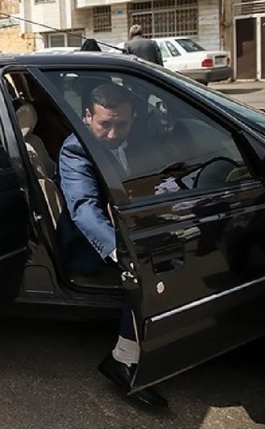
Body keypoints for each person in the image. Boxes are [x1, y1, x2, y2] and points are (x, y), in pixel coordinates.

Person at [55, 83, 167, 407]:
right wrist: (122, 252)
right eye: (105, 124)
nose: (114, 134)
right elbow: (84, 209)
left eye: (122, 124)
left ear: (133, 119)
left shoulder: (136, 140)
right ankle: (123, 359)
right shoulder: (76, 150)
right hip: (90, 241)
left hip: (128, 225)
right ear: (87, 117)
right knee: (146, 268)